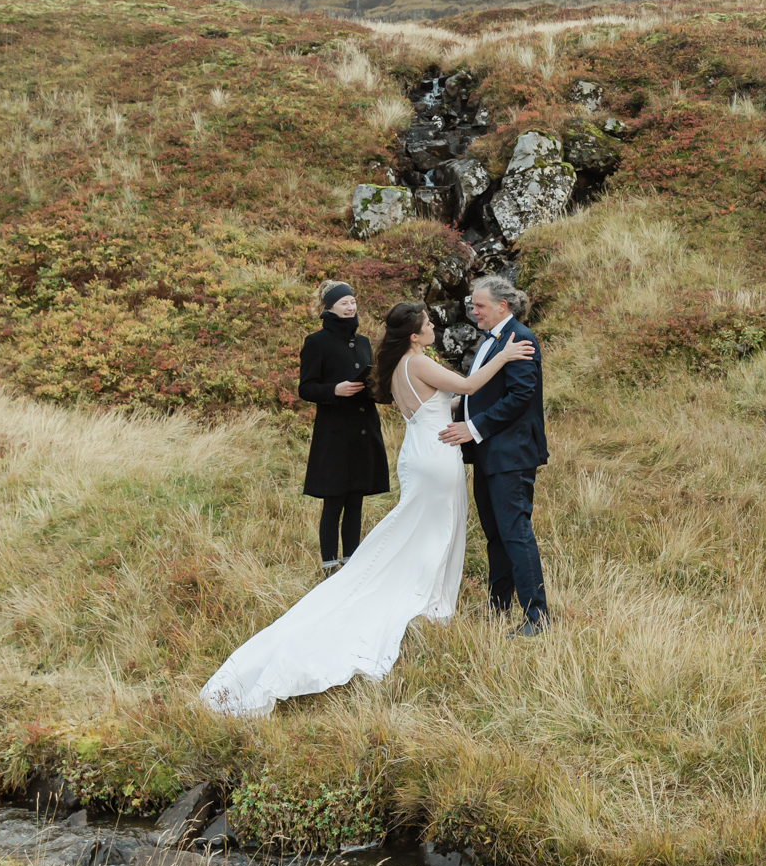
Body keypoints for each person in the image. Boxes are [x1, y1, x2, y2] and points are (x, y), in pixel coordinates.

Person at [200, 302, 534, 715]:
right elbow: (467, 387)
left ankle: (417, 589)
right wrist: (502, 356)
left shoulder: (399, 366)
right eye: (428, 324)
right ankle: (422, 597)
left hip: (419, 450)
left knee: (421, 526)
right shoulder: (418, 363)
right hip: (435, 454)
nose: (433, 327)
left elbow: (438, 405)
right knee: (435, 528)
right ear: (414, 334)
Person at [438, 276, 549, 636]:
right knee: (495, 534)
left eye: (479, 306)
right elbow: (480, 392)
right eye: (472, 305)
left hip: (511, 453)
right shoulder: (494, 341)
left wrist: (473, 427)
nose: (473, 311)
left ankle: (537, 618)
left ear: (503, 306)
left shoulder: (521, 338)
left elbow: (519, 397)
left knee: (515, 532)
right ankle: (498, 606)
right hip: (488, 453)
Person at [297, 282, 389, 575]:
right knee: (333, 500)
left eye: (352, 301)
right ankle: (329, 566)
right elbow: (306, 388)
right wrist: (334, 390)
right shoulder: (316, 342)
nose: (350, 307)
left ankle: (351, 564)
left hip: (363, 429)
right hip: (335, 432)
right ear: (329, 307)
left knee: (356, 499)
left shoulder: (362, 342)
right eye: (344, 303)